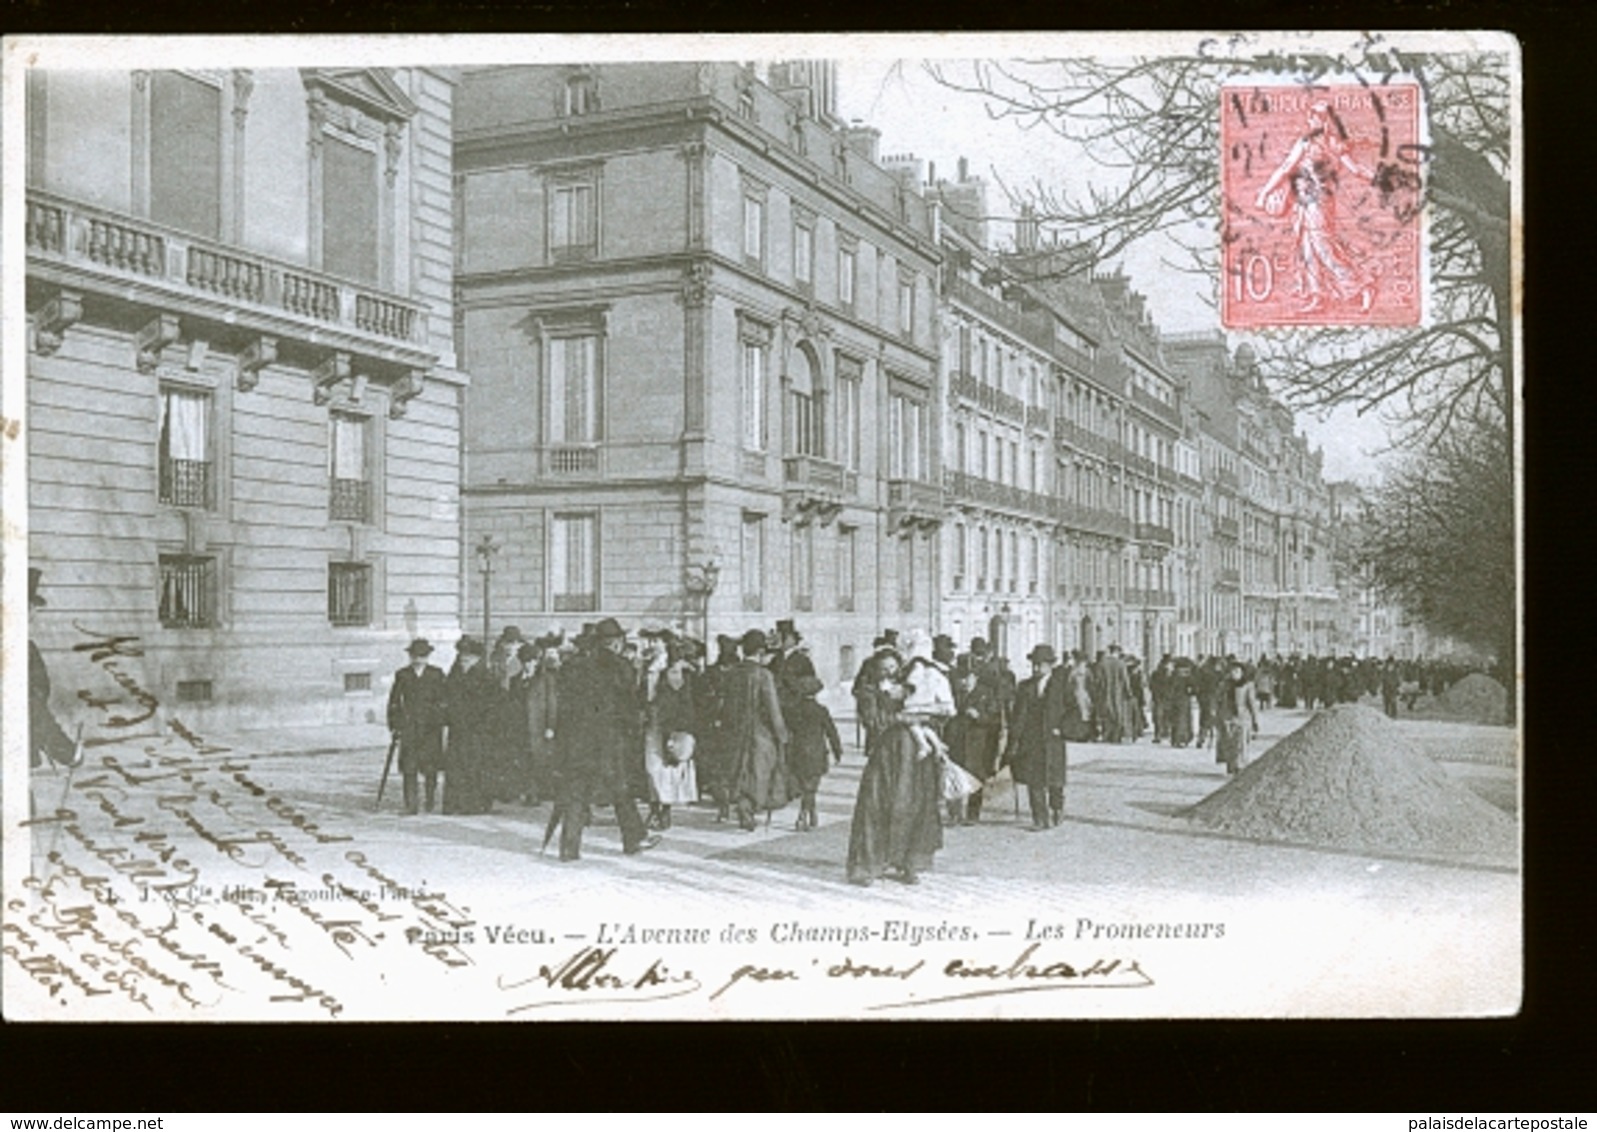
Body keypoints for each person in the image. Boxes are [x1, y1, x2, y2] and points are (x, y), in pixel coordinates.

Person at [1254, 100, 1378, 314]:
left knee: (1322, 247)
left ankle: (1362, 285)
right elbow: (1286, 169)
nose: (1311, 121)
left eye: (1315, 117)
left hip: (1319, 203)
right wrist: (1265, 192)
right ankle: (1317, 296)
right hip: (1304, 202)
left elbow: (1355, 169)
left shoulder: (1323, 143)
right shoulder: (1314, 142)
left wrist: (1380, 178)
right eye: (1311, 117)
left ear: (1322, 120)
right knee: (1307, 249)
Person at [551, 618, 658, 860]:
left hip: (578, 740)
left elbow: (564, 706)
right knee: (620, 790)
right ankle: (633, 840)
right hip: (610, 741)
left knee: (576, 792)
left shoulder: (574, 666)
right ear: (618, 642)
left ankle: (569, 848)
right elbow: (629, 707)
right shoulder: (622, 667)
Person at [846, 661, 943, 886]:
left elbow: (931, 710)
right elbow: (873, 722)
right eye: (884, 667)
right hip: (885, 755)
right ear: (875, 670)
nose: (890, 671)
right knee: (876, 806)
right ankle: (867, 865)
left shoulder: (909, 688)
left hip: (912, 757)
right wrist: (902, 718)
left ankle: (908, 862)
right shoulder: (868, 693)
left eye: (893, 666)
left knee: (913, 806)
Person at [721, 628, 792, 831]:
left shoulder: (733, 673)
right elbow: (773, 709)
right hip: (759, 732)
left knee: (739, 770)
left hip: (735, 730)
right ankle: (748, 809)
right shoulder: (763, 675)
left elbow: (725, 705)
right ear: (760, 651)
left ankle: (743, 807)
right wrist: (782, 734)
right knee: (759, 771)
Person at [1004, 644, 1070, 830]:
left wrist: (1062, 729)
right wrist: (1014, 740)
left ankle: (1056, 807)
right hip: (1031, 740)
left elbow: (1072, 710)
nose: (1035, 668)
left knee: (1054, 780)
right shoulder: (1024, 687)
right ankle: (1039, 819)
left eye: (1039, 664)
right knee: (1034, 780)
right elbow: (1018, 716)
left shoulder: (1060, 686)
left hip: (1052, 739)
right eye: (1033, 664)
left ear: (1050, 665)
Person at [387, 638, 449, 814]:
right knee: (409, 767)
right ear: (410, 656)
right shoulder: (403, 674)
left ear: (428, 656)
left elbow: (444, 699)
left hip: (431, 728)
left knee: (430, 767)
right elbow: (394, 701)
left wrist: (440, 719)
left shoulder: (436, 674)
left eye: (422, 656)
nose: (418, 659)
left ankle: (430, 800)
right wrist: (395, 724)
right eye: (415, 656)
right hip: (410, 727)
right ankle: (411, 805)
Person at [27, 568, 80, 774]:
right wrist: (65, 751)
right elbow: (32, 706)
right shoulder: (22, 649)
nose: (36, 614)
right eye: (34, 607)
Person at [644, 649, 699, 831]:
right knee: (653, 771)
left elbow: (689, 712)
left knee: (667, 773)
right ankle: (655, 809)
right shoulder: (657, 687)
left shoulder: (684, 688)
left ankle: (664, 810)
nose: (677, 677)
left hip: (672, 734)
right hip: (655, 733)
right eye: (672, 672)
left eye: (678, 672)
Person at [443, 636, 497, 815]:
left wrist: (483, 725)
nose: (462, 662)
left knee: (474, 766)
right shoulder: (455, 673)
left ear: (476, 659)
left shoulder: (486, 677)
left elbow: (492, 706)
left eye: (466, 659)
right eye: (461, 658)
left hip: (477, 731)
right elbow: (448, 696)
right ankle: (454, 803)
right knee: (455, 765)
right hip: (458, 729)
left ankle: (474, 804)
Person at [785, 675, 842, 832]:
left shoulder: (792, 710)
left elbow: (787, 729)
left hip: (797, 750)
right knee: (811, 786)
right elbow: (831, 732)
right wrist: (838, 751)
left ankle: (812, 813)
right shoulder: (821, 710)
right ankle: (803, 815)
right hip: (817, 751)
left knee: (805, 785)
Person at [522, 636, 562, 804]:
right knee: (526, 758)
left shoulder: (545, 679)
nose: (528, 665)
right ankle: (530, 792)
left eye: (532, 661)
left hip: (540, 725)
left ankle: (540, 791)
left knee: (540, 759)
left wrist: (551, 726)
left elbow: (552, 702)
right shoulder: (519, 679)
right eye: (525, 661)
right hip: (523, 725)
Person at [1214, 659, 1261, 775]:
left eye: (1237, 671)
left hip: (1242, 718)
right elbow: (1217, 699)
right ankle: (1231, 765)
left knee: (1241, 743)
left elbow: (1252, 704)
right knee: (1229, 742)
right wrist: (1216, 714)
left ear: (1242, 672)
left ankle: (1240, 765)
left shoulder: (1247, 685)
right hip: (1227, 717)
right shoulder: (1224, 685)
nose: (1234, 674)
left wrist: (1255, 721)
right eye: (1232, 671)